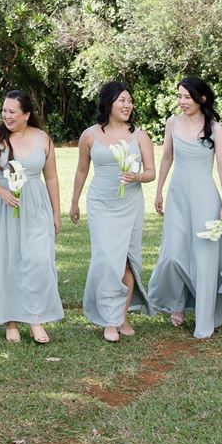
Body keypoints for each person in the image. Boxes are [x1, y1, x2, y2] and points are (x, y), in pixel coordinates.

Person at [0, 90, 64, 344]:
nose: (6, 116)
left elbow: (51, 177)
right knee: (7, 261)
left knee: (37, 260)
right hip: (2, 205)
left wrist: (56, 212)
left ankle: (35, 318)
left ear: (26, 114)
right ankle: (10, 321)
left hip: (35, 205)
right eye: (4, 111)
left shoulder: (43, 138)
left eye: (12, 112)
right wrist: (1, 191)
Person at [70, 81, 156, 342]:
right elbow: (82, 170)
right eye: (122, 100)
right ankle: (109, 320)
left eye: (130, 100)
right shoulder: (90, 135)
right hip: (100, 204)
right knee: (107, 260)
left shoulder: (140, 136)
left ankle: (122, 315)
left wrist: (137, 176)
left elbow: (151, 172)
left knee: (127, 261)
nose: (127, 105)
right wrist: (74, 202)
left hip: (130, 205)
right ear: (108, 103)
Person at [145, 76, 222, 338]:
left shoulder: (215, 128)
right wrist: (159, 189)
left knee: (204, 258)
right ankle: (177, 302)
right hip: (177, 194)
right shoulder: (172, 122)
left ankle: (204, 319)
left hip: (205, 196)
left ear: (201, 99)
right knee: (174, 252)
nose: (181, 102)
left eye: (186, 97)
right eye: (179, 96)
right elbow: (167, 156)